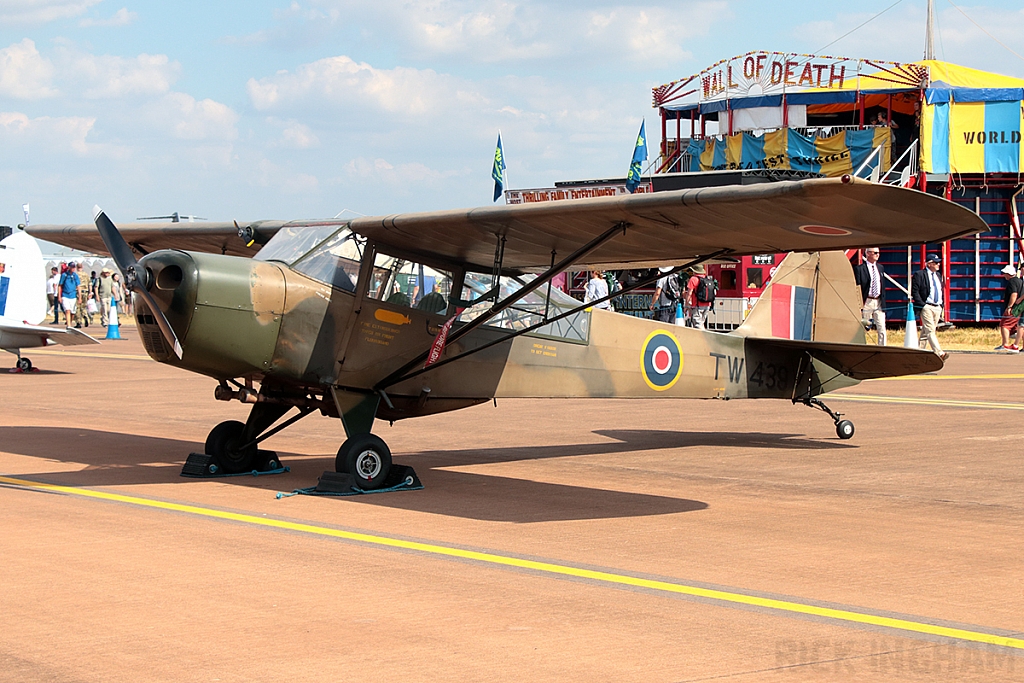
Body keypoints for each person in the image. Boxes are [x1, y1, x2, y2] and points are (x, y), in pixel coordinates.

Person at [910, 254, 948, 360]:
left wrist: (941, 305)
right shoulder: (920, 274)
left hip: (937, 306)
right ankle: (939, 352)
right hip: (927, 306)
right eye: (936, 263)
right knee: (930, 330)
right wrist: (922, 304)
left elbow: (940, 290)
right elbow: (915, 291)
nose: (938, 265)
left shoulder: (938, 275)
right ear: (929, 264)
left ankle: (918, 356)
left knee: (926, 333)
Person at [853, 247, 886, 345]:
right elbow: (857, 287)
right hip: (867, 301)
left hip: (878, 301)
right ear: (867, 253)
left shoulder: (880, 268)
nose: (877, 255)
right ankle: (862, 345)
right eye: (875, 252)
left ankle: (882, 348)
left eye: (878, 253)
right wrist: (859, 304)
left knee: (882, 328)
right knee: (864, 327)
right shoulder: (859, 269)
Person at [996, 264, 1023, 352]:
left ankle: (1005, 344)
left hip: (1013, 308)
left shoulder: (1012, 282)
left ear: (1008, 273)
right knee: (1017, 327)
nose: (1004, 275)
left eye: (1004, 273)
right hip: (1019, 308)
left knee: (1004, 325)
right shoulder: (1020, 281)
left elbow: (1014, 294)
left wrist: (1009, 307)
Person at [685, 265, 714, 330]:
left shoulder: (693, 279)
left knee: (697, 326)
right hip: (707, 305)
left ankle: (703, 339)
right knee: (701, 323)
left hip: (697, 305)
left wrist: (686, 306)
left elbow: (689, 293)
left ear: (694, 271)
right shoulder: (707, 278)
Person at [57, 261, 80, 328]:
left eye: (74, 267)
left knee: (72, 312)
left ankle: (69, 321)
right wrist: (59, 296)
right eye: (72, 267)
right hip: (65, 295)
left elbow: (78, 286)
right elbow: (60, 285)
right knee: (67, 310)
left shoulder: (75, 275)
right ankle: (68, 326)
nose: (73, 268)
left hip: (73, 295)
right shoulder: (64, 275)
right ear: (69, 267)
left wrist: (80, 297)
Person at [74, 263, 91, 328]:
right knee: (84, 306)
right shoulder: (86, 274)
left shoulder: (75, 274)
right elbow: (90, 283)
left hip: (78, 291)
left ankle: (78, 322)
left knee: (77, 307)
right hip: (85, 291)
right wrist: (90, 292)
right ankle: (85, 315)